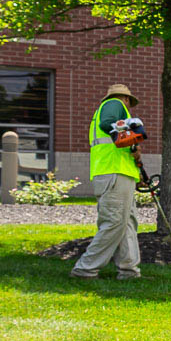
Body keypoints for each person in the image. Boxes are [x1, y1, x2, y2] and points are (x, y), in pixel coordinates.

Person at [70, 83, 144, 281]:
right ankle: (85, 268)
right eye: (129, 102)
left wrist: (134, 153)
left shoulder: (114, 114)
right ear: (126, 99)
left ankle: (129, 272)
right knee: (113, 223)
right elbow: (108, 123)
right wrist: (132, 139)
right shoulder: (114, 103)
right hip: (113, 174)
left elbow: (116, 140)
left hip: (118, 174)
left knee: (127, 223)